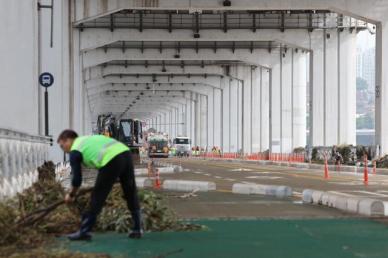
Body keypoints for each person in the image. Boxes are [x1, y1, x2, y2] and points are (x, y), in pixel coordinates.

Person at [57, 129, 142, 241]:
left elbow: (77, 179)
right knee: (130, 191)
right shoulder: (86, 140)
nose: (64, 150)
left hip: (110, 160)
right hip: (125, 153)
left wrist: (71, 194)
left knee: (98, 196)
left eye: (62, 146)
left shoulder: (75, 150)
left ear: (67, 140)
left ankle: (84, 232)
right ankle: (137, 229)